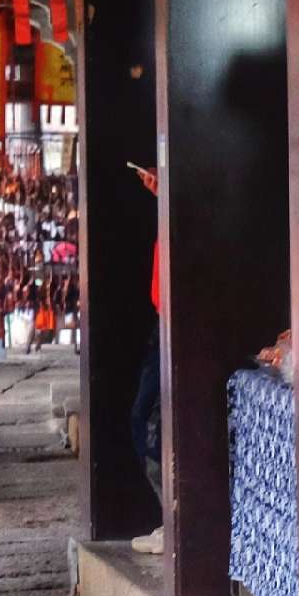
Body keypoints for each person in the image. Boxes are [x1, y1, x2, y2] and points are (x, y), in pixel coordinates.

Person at [130, 165, 165, 555]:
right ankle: (168, 517)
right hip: (163, 323)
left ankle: (173, 520)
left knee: (150, 419)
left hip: (176, 323)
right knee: (144, 417)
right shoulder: (172, 208)